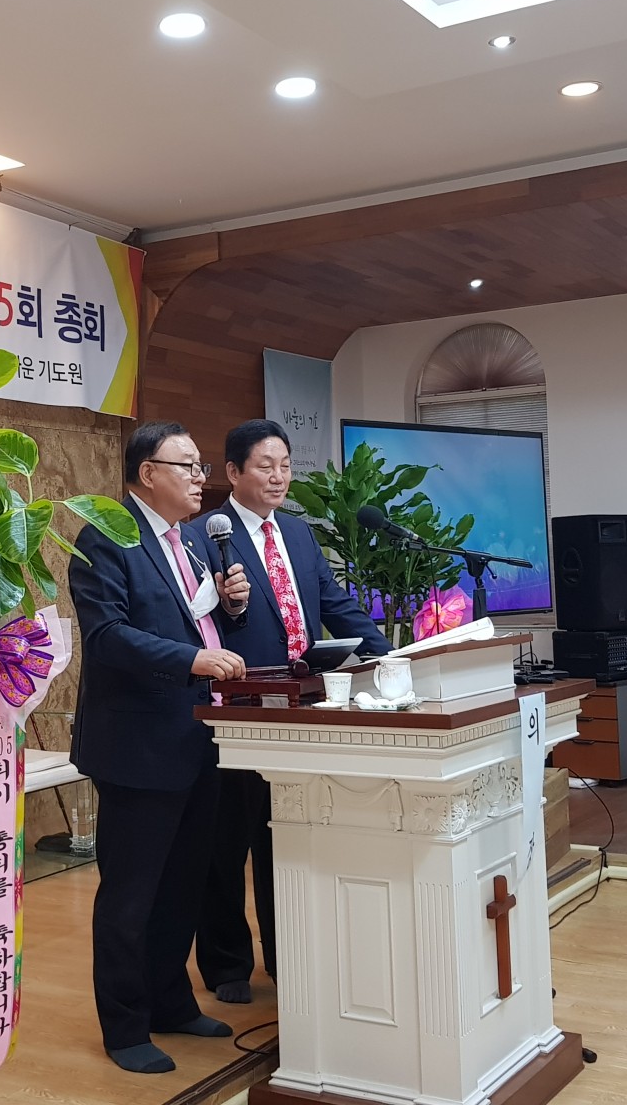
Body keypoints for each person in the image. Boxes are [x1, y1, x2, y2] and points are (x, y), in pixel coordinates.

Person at [68, 421, 252, 1074]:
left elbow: (196, 624)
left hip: (198, 736)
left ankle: (171, 1001)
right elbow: (107, 637)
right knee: (131, 894)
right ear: (148, 473)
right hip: (139, 746)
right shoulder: (106, 537)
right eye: (188, 466)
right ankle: (125, 1027)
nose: (201, 478)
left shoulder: (193, 541)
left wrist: (230, 609)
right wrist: (192, 659)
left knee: (183, 885)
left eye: (201, 467)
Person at [190, 418, 392, 1003]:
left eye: (285, 465)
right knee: (226, 843)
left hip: (299, 708)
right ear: (233, 472)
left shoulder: (298, 534)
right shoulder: (203, 536)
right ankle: (227, 965)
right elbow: (199, 620)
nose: (279, 477)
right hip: (237, 711)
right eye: (265, 466)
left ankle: (287, 957)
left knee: (285, 837)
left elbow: (334, 604)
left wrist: (388, 654)